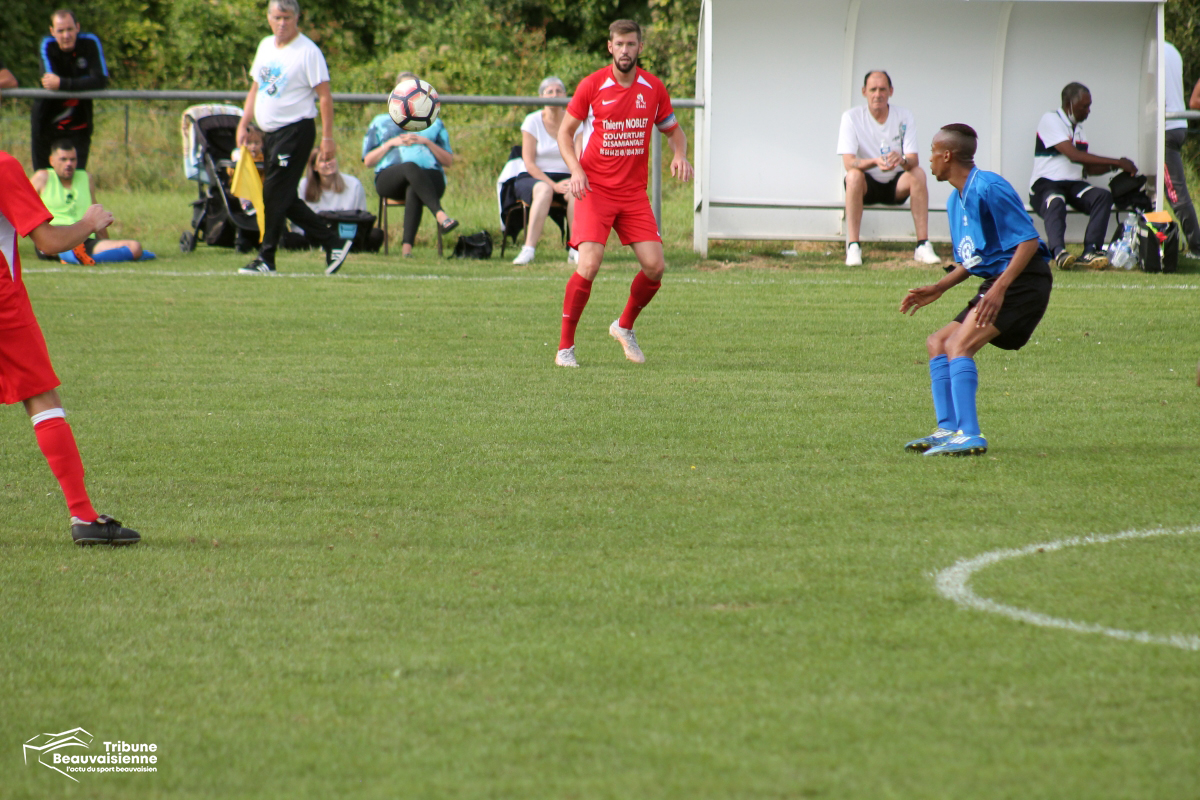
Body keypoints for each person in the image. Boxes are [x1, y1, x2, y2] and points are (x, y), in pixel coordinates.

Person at [0, 149, 140, 545]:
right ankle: (83, 514)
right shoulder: (3, 166)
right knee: (42, 398)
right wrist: (89, 222)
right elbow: (48, 242)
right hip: (4, 304)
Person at [900, 124, 1053, 457]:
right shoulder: (955, 201)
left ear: (947, 155)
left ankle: (970, 434)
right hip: (998, 281)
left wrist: (999, 289)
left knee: (959, 345)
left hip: (1022, 280)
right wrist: (939, 287)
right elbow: (974, 259)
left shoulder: (989, 187)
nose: (928, 159)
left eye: (932, 151)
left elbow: (1028, 242)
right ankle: (948, 429)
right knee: (938, 343)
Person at [553, 19, 693, 368]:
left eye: (631, 44)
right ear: (610, 47)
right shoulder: (592, 85)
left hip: (632, 194)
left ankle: (624, 326)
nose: (625, 50)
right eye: (619, 44)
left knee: (655, 267)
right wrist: (576, 169)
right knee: (589, 263)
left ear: (640, 47)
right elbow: (564, 134)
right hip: (595, 189)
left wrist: (679, 154)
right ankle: (565, 348)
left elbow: (674, 132)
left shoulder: (653, 88)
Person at [235, 0, 352, 276]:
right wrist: (243, 123)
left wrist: (327, 138)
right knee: (281, 195)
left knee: (273, 192)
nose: (282, 23)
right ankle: (332, 242)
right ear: (268, 18)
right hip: (270, 135)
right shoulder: (265, 46)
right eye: (277, 17)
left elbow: (325, 96)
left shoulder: (308, 51)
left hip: (295, 131)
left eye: (287, 17)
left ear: (297, 18)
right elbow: (256, 88)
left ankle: (267, 257)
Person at [1029, 82, 1138, 271]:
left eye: (1089, 106)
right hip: (1045, 184)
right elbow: (1074, 155)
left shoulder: (1079, 130)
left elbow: (1087, 168)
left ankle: (1090, 251)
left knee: (1102, 196)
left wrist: (1115, 167)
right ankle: (1059, 252)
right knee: (1056, 199)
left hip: (1073, 185)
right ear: (1069, 104)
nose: (1088, 111)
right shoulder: (1050, 119)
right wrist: (1118, 162)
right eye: (1084, 107)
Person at [837, 70, 940, 267]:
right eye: (873, 89)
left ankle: (922, 245)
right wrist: (875, 161)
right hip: (866, 186)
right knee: (853, 176)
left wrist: (900, 159)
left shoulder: (904, 116)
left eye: (882, 89)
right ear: (864, 92)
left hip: (896, 185)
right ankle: (853, 246)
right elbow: (849, 162)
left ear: (891, 91)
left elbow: (913, 160)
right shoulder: (851, 117)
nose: (878, 94)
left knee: (918, 173)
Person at [362, 71, 459, 257]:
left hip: (431, 179)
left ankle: (407, 250)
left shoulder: (434, 122)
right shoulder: (380, 122)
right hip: (390, 179)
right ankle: (441, 215)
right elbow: (368, 161)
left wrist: (426, 142)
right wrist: (391, 144)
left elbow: (448, 161)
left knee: (415, 185)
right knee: (410, 166)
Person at [30, 140, 152, 263]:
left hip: (84, 239)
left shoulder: (86, 178)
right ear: (52, 161)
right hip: (54, 237)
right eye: (63, 159)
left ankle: (84, 258)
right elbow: (24, 209)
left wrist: (106, 242)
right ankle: (74, 256)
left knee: (135, 247)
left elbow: (96, 214)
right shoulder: (42, 178)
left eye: (73, 159)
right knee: (61, 245)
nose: (69, 164)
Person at [511, 76, 578, 265]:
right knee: (544, 190)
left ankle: (575, 249)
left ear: (565, 95)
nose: (554, 95)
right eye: (550, 92)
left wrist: (575, 178)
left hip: (568, 176)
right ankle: (528, 249)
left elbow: (581, 157)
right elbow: (529, 163)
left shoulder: (575, 120)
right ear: (541, 96)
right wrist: (553, 185)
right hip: (534, 177)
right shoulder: (532, 121)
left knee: (577, 191)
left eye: (558, 91)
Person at [31, 9, 109, 172]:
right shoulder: (47, 44)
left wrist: (64, 83)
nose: (66, 35)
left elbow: (100, 80)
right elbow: (49, 82)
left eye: (70, 29)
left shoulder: (90, 42)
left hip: (79, 125)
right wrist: (82, 83)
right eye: (60, 31)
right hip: (46, 125)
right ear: (52, 31)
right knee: (44, 178)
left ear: (77, 27)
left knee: (76, 176)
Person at [284, 148, 383, 251]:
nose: (328, 163)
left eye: (331, 159)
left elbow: (362, 219)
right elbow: (298, 224)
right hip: (314, 236)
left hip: (346, 234)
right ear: (314, 167)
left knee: (376, 234)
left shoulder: (354, 185)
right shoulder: (302, 186)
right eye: (323, 160)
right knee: (290, 239)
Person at [1163, 42, 1200, 256]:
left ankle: (1196, 246)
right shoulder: (1172, 50)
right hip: (1177, 124)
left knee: (1175, 192)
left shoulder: (1154, 48)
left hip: (1165, 127)